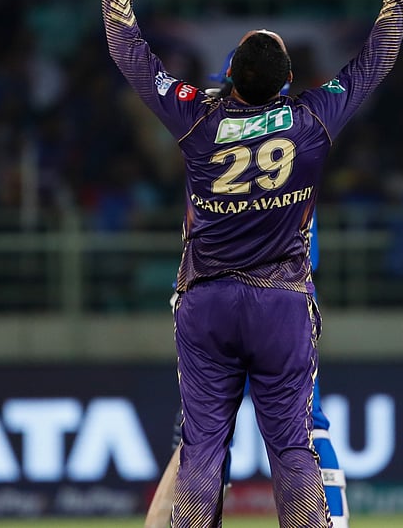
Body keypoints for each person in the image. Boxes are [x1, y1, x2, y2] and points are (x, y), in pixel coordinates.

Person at [87, 0, 403, 527]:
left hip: (207, 304)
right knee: (293, 446)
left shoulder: (196, 117)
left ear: (228, 77)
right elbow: (378, 56)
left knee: (202, 448)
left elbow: (126, 48)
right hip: (281, 304)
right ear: (289, 80)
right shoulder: (313, 119)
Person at [145, 68, 350, 528]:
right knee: (304, 431)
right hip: (282, 305)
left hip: (219, 301)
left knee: (202, 437)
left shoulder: (211, 137)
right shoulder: (299, 133)